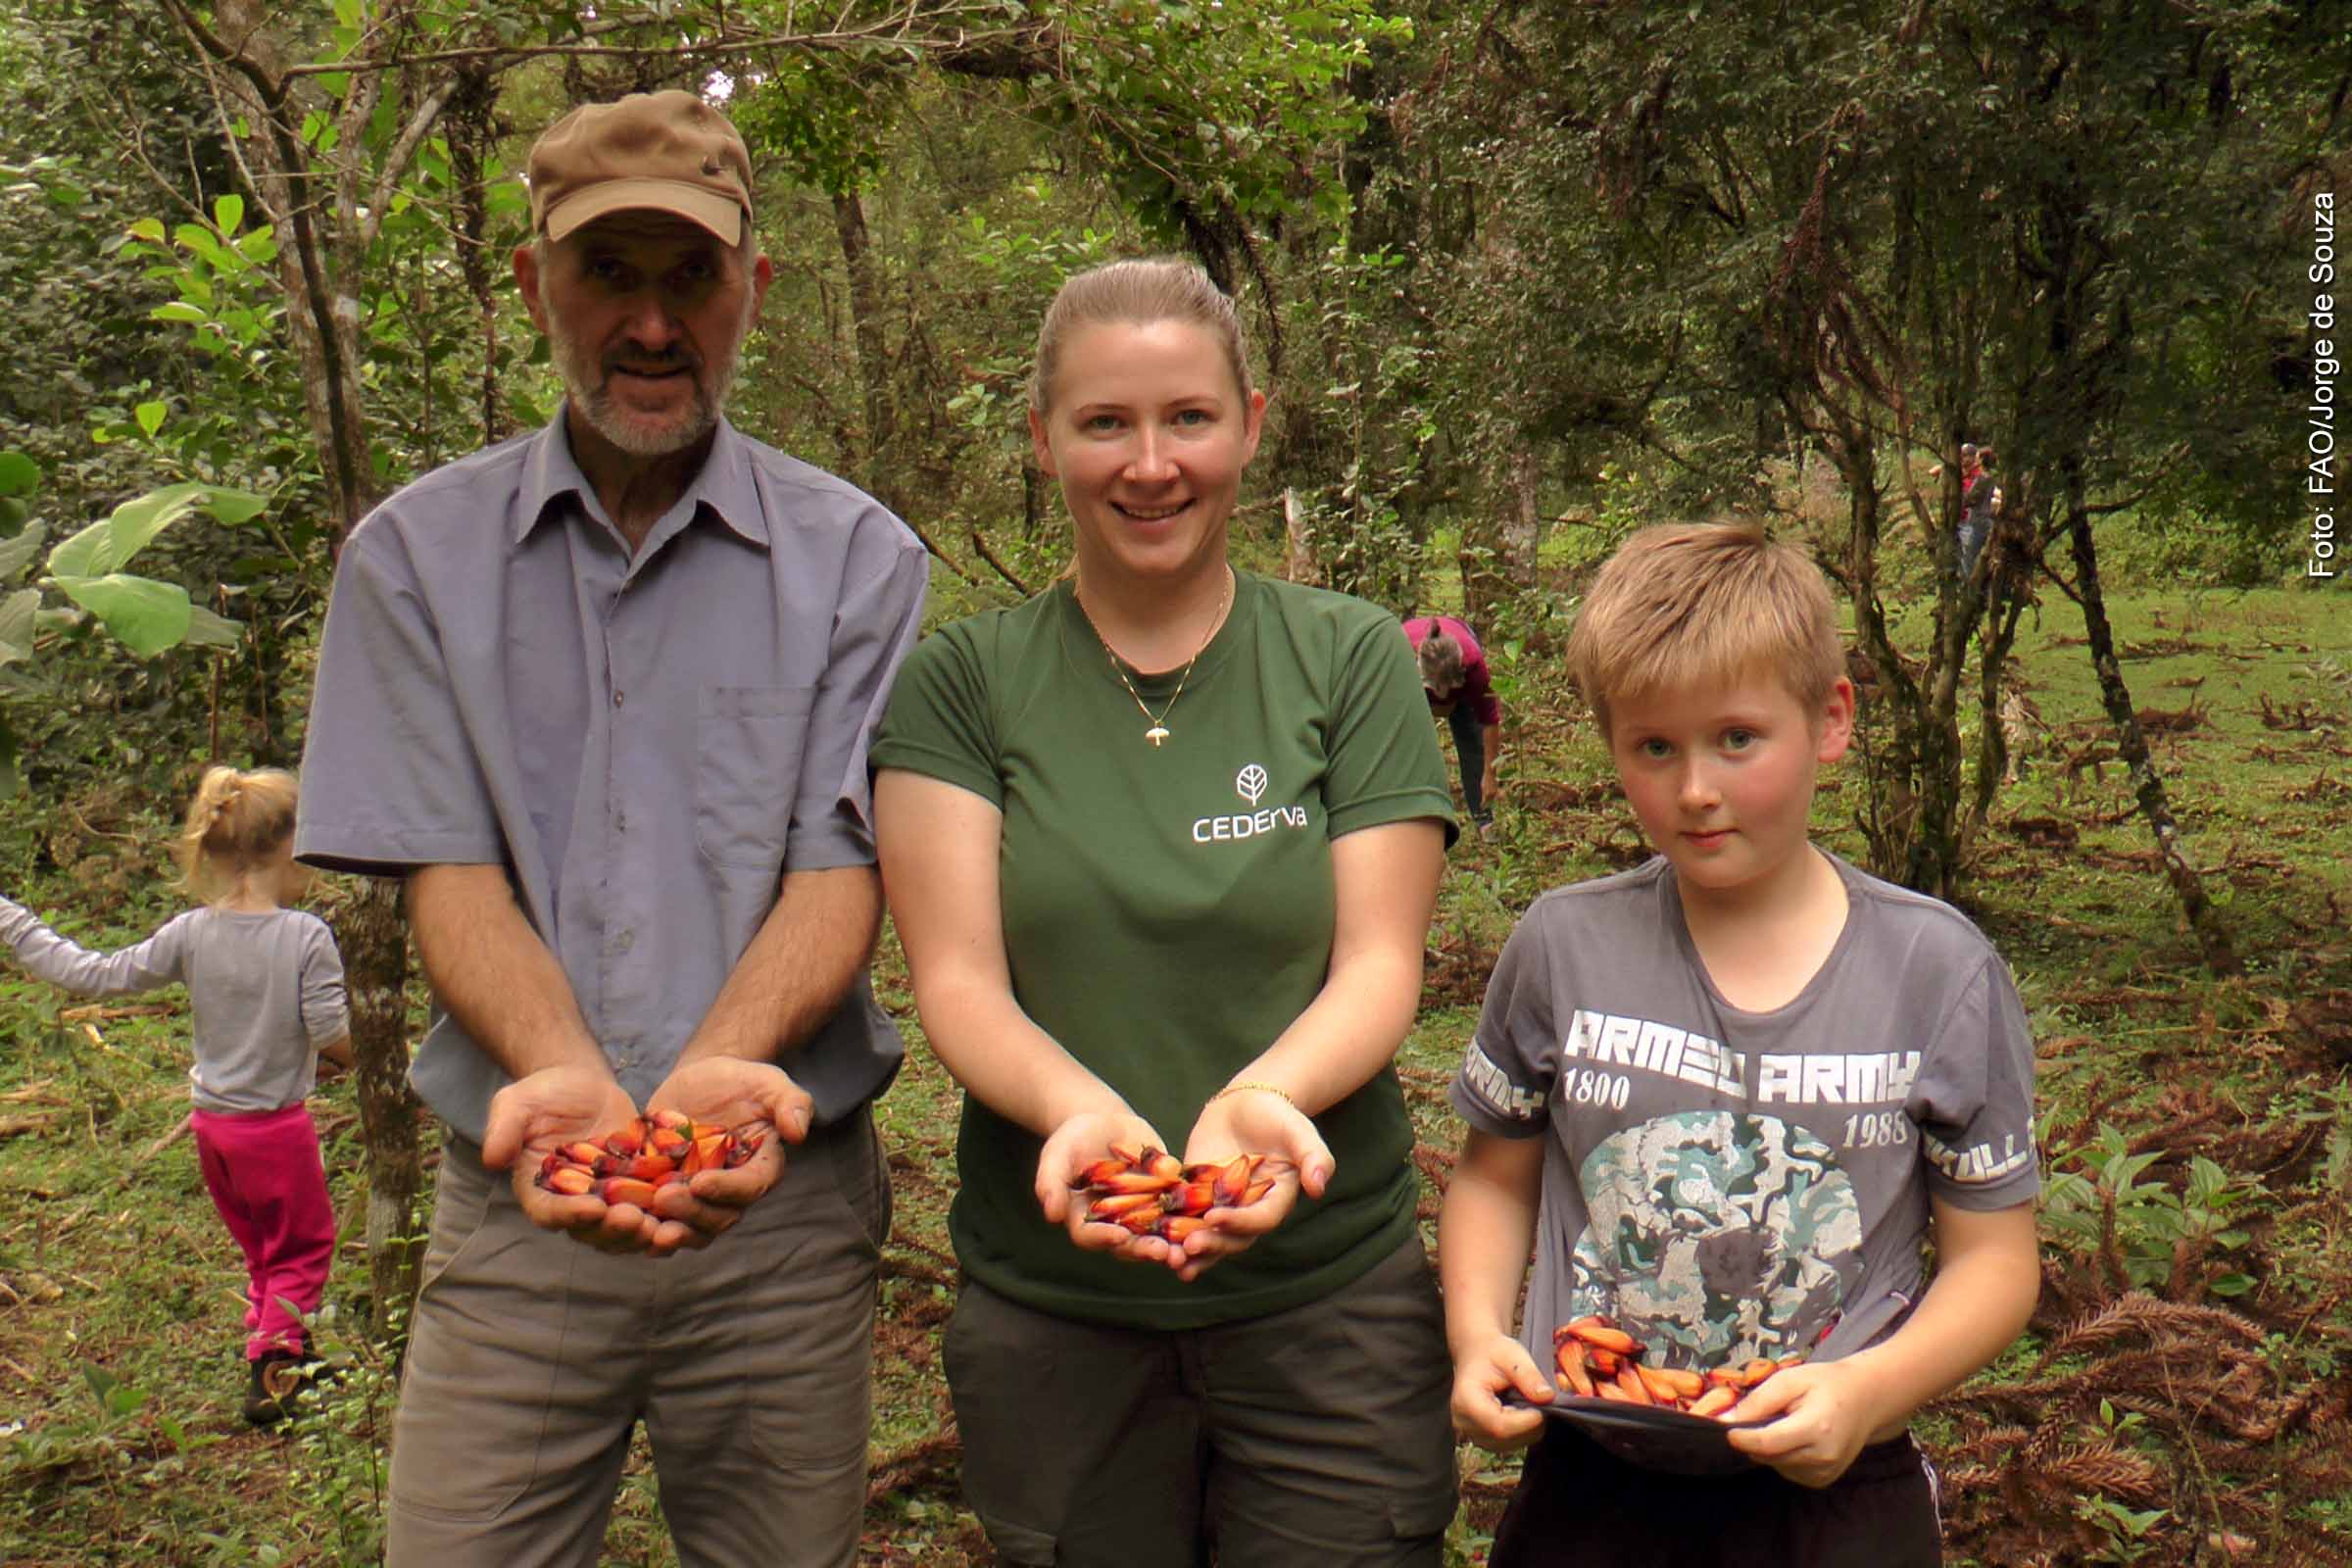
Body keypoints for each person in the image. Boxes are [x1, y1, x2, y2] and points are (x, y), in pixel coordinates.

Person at [293, 89, 927, 1565]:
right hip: (520, 1201)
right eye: (610, 274)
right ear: (534, 285)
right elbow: (453, 879)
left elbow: (842, 874)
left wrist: (717, 1072)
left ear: (751, 293)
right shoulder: (413, 563)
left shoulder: (859, 562)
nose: (652, 325)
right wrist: (576, 1091)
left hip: (782, 1204)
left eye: (689, 276)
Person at [871, 257, 1461, 1567]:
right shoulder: (963, 685)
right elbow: (957, 981)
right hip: (1057, 1311)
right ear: (1043, 441)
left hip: (1328, 1299)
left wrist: (1263, 1105)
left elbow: (1376, 962)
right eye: (1105, 424)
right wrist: (1081, 1116)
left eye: (1188, 418)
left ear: (1251, 421)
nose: (1151, 465)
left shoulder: (1349, 655)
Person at [1440, 521, 2039, 1568]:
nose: (1696, 789)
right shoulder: (1564, 946)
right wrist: (1479, 1334)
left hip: (1836, 1483)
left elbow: (1995, 1261)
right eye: (1654, 747)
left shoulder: (1935, 973)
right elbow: (1493, 1179)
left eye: (1737, 739)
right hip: (1593, 1473)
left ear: (1831, 720)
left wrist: (1866, 1392)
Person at [0, 766, 351, 1427]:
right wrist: (393, 1063)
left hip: (214, 1128)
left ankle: (287, 1349)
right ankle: (274, 1373)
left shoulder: (193, 931)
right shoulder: (306, 937)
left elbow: (94, 975)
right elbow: (331, 1029)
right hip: (275, 1130)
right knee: (303, 1247)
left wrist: (15, 923)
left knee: (262, 1250)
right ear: (293, 846)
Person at [1402, 613, 1502, 834]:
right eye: (1439, 688)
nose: (1444, 693)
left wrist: (1490, 774)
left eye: (1450, 687)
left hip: (1460, 673)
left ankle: (1484, 818)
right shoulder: (1399, 654)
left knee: (1472, 741)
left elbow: (1490, 718)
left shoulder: (1473, 663)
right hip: (1412, 684)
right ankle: (1413, 815)